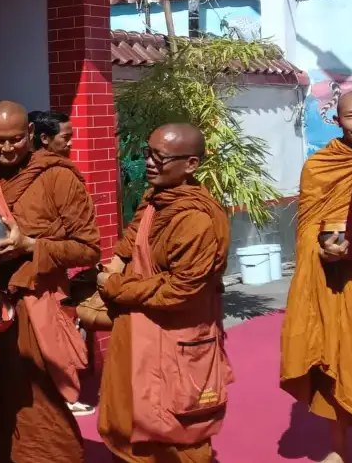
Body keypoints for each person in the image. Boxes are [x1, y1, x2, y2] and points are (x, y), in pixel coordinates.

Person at [96, 124, 233, 462]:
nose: (149, 163)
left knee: (179, 434)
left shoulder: (195, 219)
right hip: (139, 335)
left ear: (191, 164)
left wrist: (115, 286)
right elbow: (132, 238)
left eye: (160, 157)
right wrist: (114, 265)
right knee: (129, 426)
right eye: (148, 153)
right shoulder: (155, 199)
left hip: (176, 342)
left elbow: (181, 289)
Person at [0, 100, 100, 463]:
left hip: (38, 306)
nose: (8, 148)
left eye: (16, 139)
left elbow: (89, 248)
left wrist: (30, 245)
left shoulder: (57, 176)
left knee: (42, 407)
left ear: (30, 133)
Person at [282, 89, 352, 463]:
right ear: (337, 120)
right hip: (336, 282)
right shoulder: (320, 166)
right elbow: (306, 226)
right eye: (351, 115)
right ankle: (340, 449)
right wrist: (323, 250)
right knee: (337, 360)